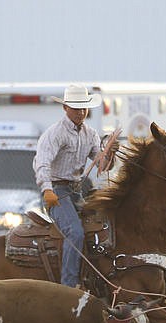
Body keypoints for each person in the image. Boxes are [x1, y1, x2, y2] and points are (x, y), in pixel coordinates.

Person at [33, 83, 116, 288]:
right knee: (75, 232)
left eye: (83, 108)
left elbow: (102, 164)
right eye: (76, 108)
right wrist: (47, 189)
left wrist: (111, 153)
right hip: (58, 191)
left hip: (76, 191)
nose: (80, 112)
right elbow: (42, 162)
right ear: (65, 108)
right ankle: (68, 285)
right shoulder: (55, 133)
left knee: (102, 226)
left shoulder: (90, 134)